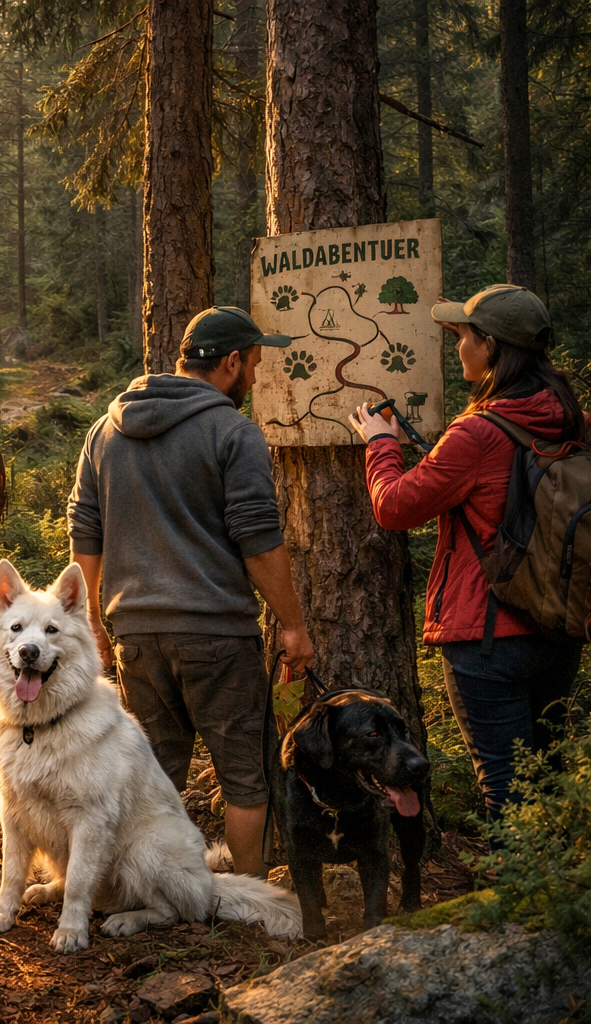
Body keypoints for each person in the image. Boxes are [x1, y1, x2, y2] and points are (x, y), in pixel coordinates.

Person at [67, 305, 315, 879]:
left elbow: (86, 531)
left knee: (153, 773)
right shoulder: (233, 432)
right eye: (252, 364)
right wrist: (295, 628)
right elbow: (258, 540)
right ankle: (246, 897)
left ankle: (148, 888)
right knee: (244, 777)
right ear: (231, 362)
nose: (253, 377)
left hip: (134, 636)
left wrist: (90, 624)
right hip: (217, 633)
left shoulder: (105, 430)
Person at [349, 284, 583, 825]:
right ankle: (551, 889)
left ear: (493, 346)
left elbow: (395, 506)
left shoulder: (477, 432)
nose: (458, 346)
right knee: (544, 775)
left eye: (464, 335)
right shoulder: (574, 420)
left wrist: (380, 442)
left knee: (504, 784)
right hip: (559, 624)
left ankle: (510, 902)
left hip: (487, 636)